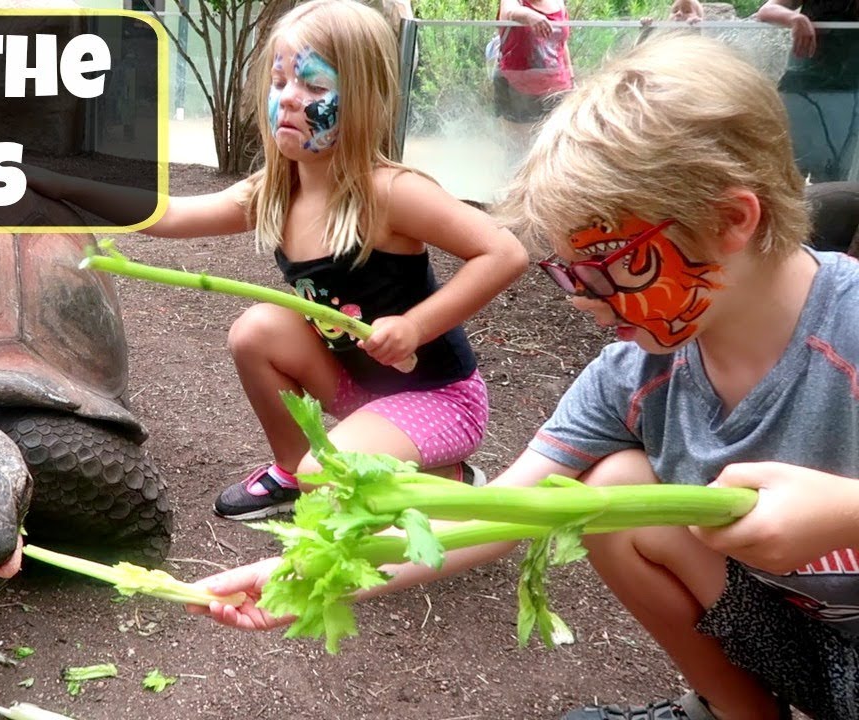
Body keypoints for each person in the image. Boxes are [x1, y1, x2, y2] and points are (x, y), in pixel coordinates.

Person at [189, 33, 859, 720]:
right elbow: (497, 518)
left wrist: (846, 513)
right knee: (615, 489)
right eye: (569, 271)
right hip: (806, 651)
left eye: (607, 266)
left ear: (730, 220)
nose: (581, 299)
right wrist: (301, 576)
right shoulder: (635, 374)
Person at [28, 0, 529, 521]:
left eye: (314, 86)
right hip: (358, 385)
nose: (290, 99)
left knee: (330, 478)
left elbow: (504, 252)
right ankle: (293, 471)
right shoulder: (276, 189)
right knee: (256, 332)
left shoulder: (388, 193)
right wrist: (59, 183)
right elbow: (168, 214)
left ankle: (445, 476)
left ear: (363, 100)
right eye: (280, 81)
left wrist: (416, 325)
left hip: (438, 398)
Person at [755, 0, 859, 182]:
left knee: (839, 170)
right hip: (805, 86)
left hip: (851, 89)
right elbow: (766, 10)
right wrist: (794, 18)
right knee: (789, 162)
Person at [493, 0, 574, 165]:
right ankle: (515, 189)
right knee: (519, 154)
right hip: (519, 89)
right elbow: (510, 12)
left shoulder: (558, 2)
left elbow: (562, 44)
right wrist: (529, 15)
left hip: (558, 89)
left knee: (555, 152)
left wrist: (571, 79)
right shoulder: (514, 2)